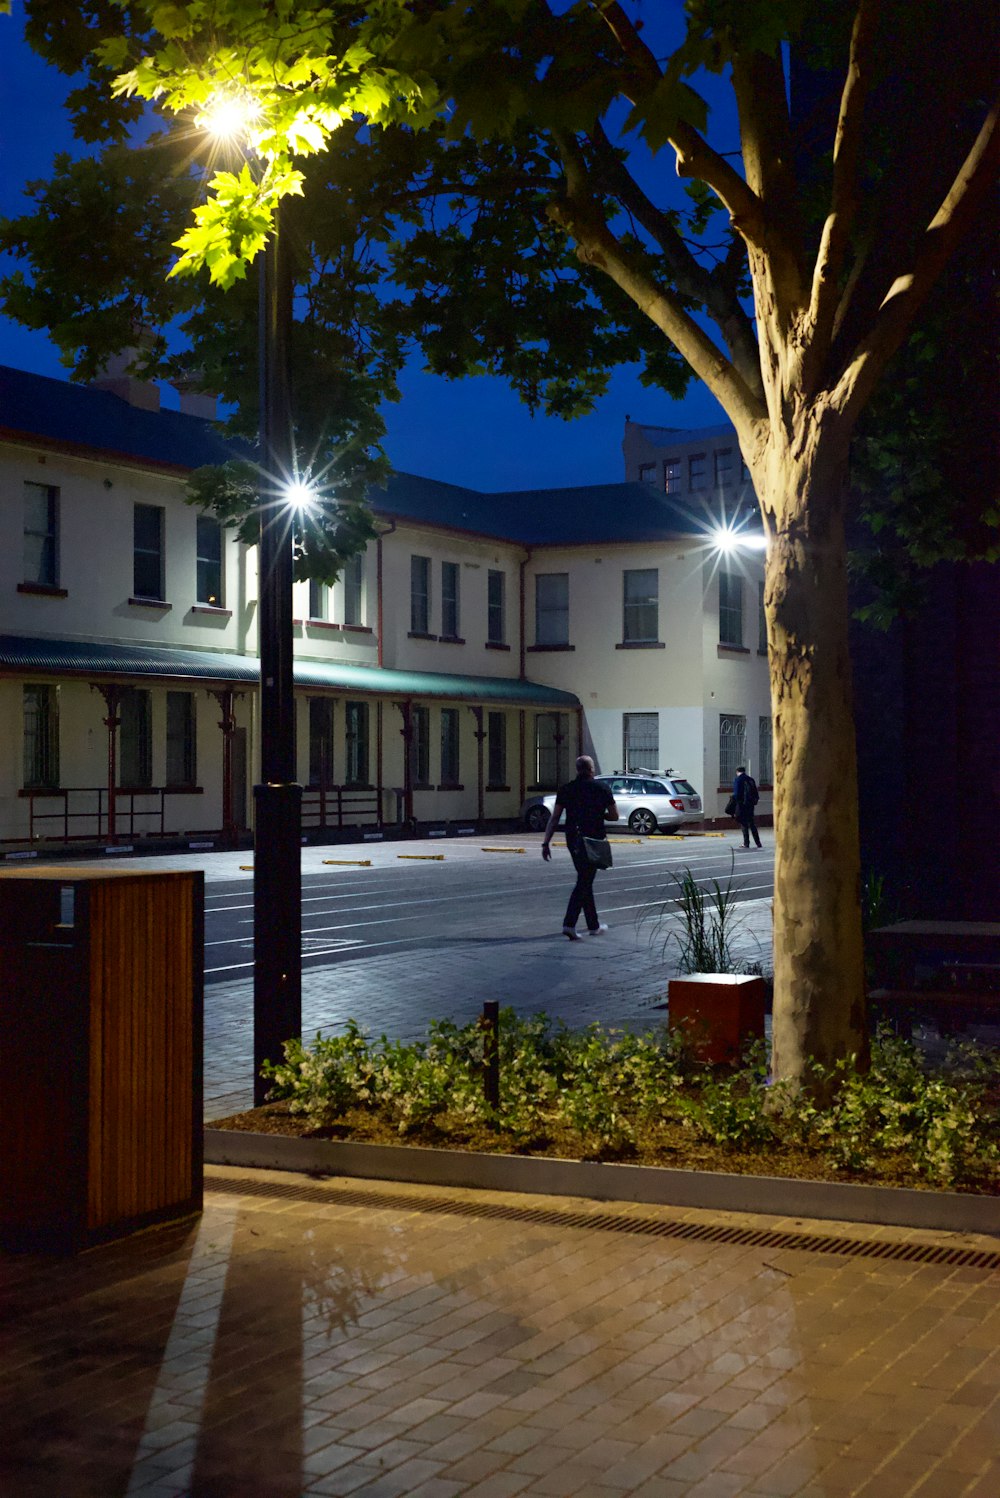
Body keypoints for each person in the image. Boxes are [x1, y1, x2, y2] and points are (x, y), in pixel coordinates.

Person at [541, 755, 618, 938]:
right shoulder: (602, 788)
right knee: (585, 881)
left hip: (573, 839)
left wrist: (546, 842)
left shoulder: (567, 789)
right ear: (592, 770)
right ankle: (569, 924)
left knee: (585, 879)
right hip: (594, 839)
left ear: (577, 769)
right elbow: (614, 815)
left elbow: (555, 817)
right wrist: (600, 814)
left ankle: (593, 925)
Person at [733, 764, 761, 848]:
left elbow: (737, 794)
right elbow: (756, 792)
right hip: (750, 804)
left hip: (742, 805)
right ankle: (758, 842)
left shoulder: (738, 780)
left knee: (744, 824)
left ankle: (746, 843)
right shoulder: (750, 779)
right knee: (752, 824)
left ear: (737, 771)